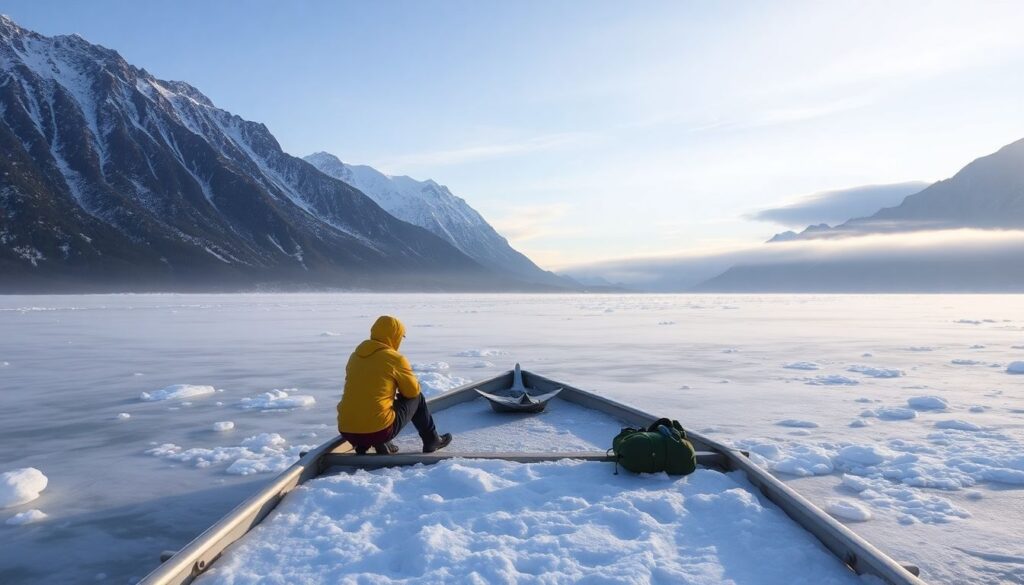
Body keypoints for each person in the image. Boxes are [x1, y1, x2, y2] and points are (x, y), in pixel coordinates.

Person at [337, 315, 452, 454]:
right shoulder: (395, 359)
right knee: (417, 398)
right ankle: (432, 440)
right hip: (379, 431)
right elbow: (412, 392)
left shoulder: (355, 356)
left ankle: (371, 444)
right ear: (394, 336)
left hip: (347, 430)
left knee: (374, 400)